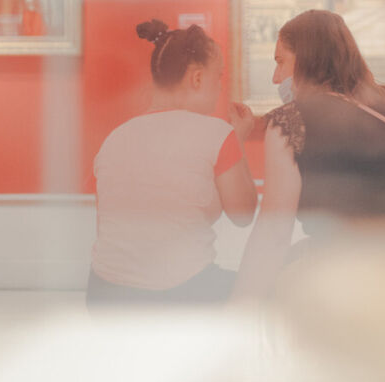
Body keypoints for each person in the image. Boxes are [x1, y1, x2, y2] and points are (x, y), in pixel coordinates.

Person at [234, 9, 385, 298]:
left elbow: (273, 234)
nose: (276, 77)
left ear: (308, 59)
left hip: (362, 290)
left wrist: (240, 303)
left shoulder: (291, 122)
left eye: (280, 62)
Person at [88, 19, 258, 308]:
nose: (220, 88)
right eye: (219, 77)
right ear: (197, 78)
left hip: (103, 296)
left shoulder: (114, 139)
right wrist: (239, 139)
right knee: (264, 290)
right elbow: (243, 215)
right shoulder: (217, 133)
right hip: (178, 294)